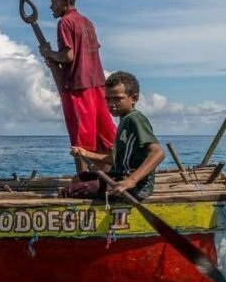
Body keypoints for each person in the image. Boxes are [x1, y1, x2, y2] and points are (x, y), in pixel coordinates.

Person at [38, 0, 117, 175]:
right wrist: (55, 59)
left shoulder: (65, 22)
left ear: (66, 1)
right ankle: (109, 173)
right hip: (97, 84)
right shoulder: (87, 22)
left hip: (78, 87)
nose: (51, 7)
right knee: (104, 135)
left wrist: (51, 54)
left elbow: (69, 56)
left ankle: (83, 180)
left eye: (54, 2)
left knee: (81, 137)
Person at [69, 71, 165, 201]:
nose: (111, 104)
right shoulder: (124, 120)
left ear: (134, 98)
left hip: (135, 187)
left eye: (117, 99)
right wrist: (86, 154)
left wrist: (130, 181)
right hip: (119, 177)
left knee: (69, 192)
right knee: (79, 178)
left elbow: (158, 153)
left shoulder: (135, 119)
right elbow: (118, 159)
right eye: (108, 99)